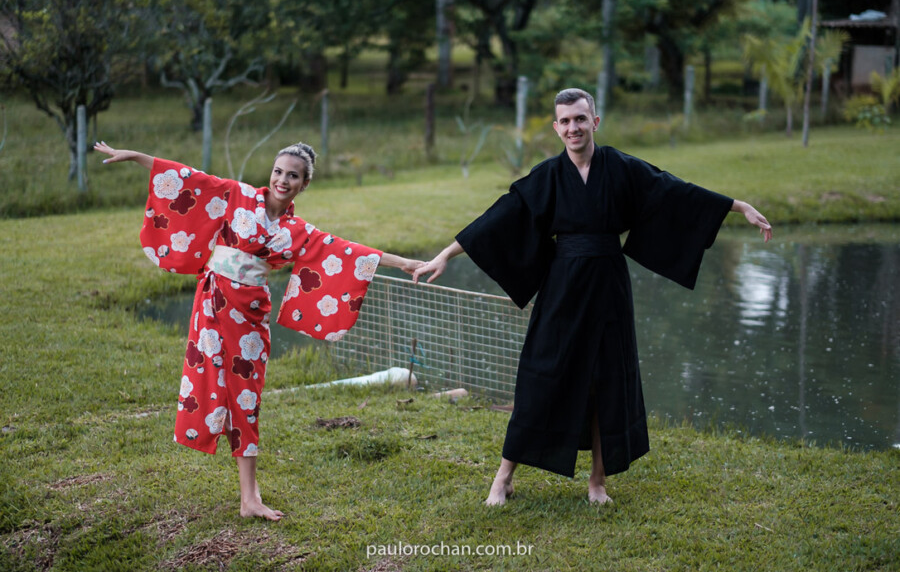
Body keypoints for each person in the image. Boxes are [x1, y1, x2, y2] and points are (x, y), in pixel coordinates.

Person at [413, 88, 772, 506]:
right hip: (562, 286)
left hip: (609, 286)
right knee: (540, 375)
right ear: (556, 127)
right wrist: (445, 254)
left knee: (607, 381)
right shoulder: (547, 175)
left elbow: (672, 191)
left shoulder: (620, 167)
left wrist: (739, 206)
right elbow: (500, 217)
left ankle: (597, 482)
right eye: (564, 121)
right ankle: (503, 477)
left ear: (595, 122)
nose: (573, 128)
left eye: (580, 119)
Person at [95, 140, 421, 520]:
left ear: (304, 184)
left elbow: (348, 251)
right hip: (214, 303)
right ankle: (242, 488)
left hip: (250, 316)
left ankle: (250, 498)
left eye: (293, 175)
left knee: (246, 396)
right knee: (214, 382)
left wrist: (405, 263)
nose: (283, 180)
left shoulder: (298, 231)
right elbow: (189, 178)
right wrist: (136, 157)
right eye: (279, 171)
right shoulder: (238, 195)